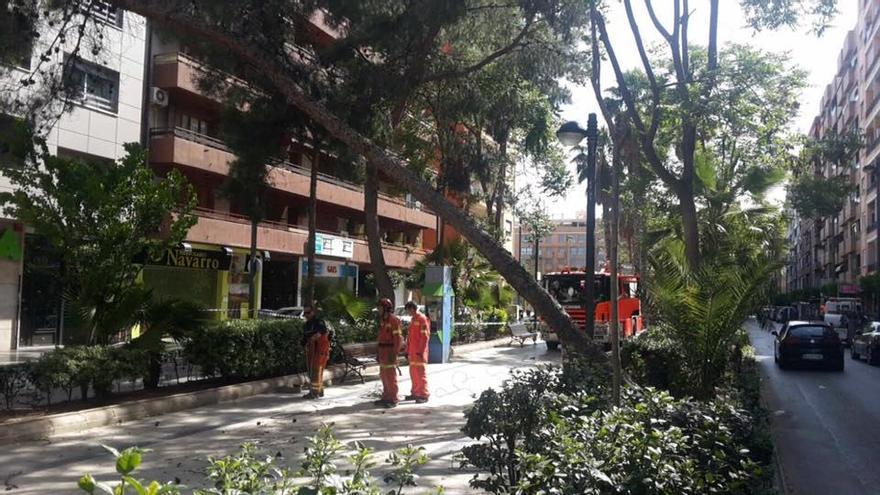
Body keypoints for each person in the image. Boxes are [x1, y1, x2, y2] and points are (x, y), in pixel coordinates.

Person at [375, 298, 403, 408]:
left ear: (386, 308)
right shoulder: (383, 320)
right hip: (383, 352)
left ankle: (393, 398)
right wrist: (378, 353)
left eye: (380, 307)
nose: (378, 309)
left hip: (390, 351)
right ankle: (386, 396)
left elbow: (398, 338)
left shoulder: (393, 320)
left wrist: (395, 353)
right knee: (383, 375)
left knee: (390, 376)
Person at [301, 303, 330, 400]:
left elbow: (323, 331)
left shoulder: (319, 322)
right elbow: (305, 338)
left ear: (313, 312)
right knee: (313, 371)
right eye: (305, 313)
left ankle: (314, 392)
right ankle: (319, 390)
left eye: (308, 312)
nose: (306, 315)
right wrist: (303, 345)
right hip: (311, 350)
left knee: (316, 371)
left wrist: (315, 337)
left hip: (320, 350)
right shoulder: (307, 325)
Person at [404, 301, 430, 403]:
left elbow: (425, 337)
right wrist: (407, 350)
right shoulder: (413, 320)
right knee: (413, 373)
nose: (407, 313)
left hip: (419, 352)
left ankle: (424, 395)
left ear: (412, 309)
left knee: (420, 374)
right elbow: (410, 337)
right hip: (412, 352)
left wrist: (420, 351)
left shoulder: (422, 319)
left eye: (408, 310)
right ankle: (415, 393)